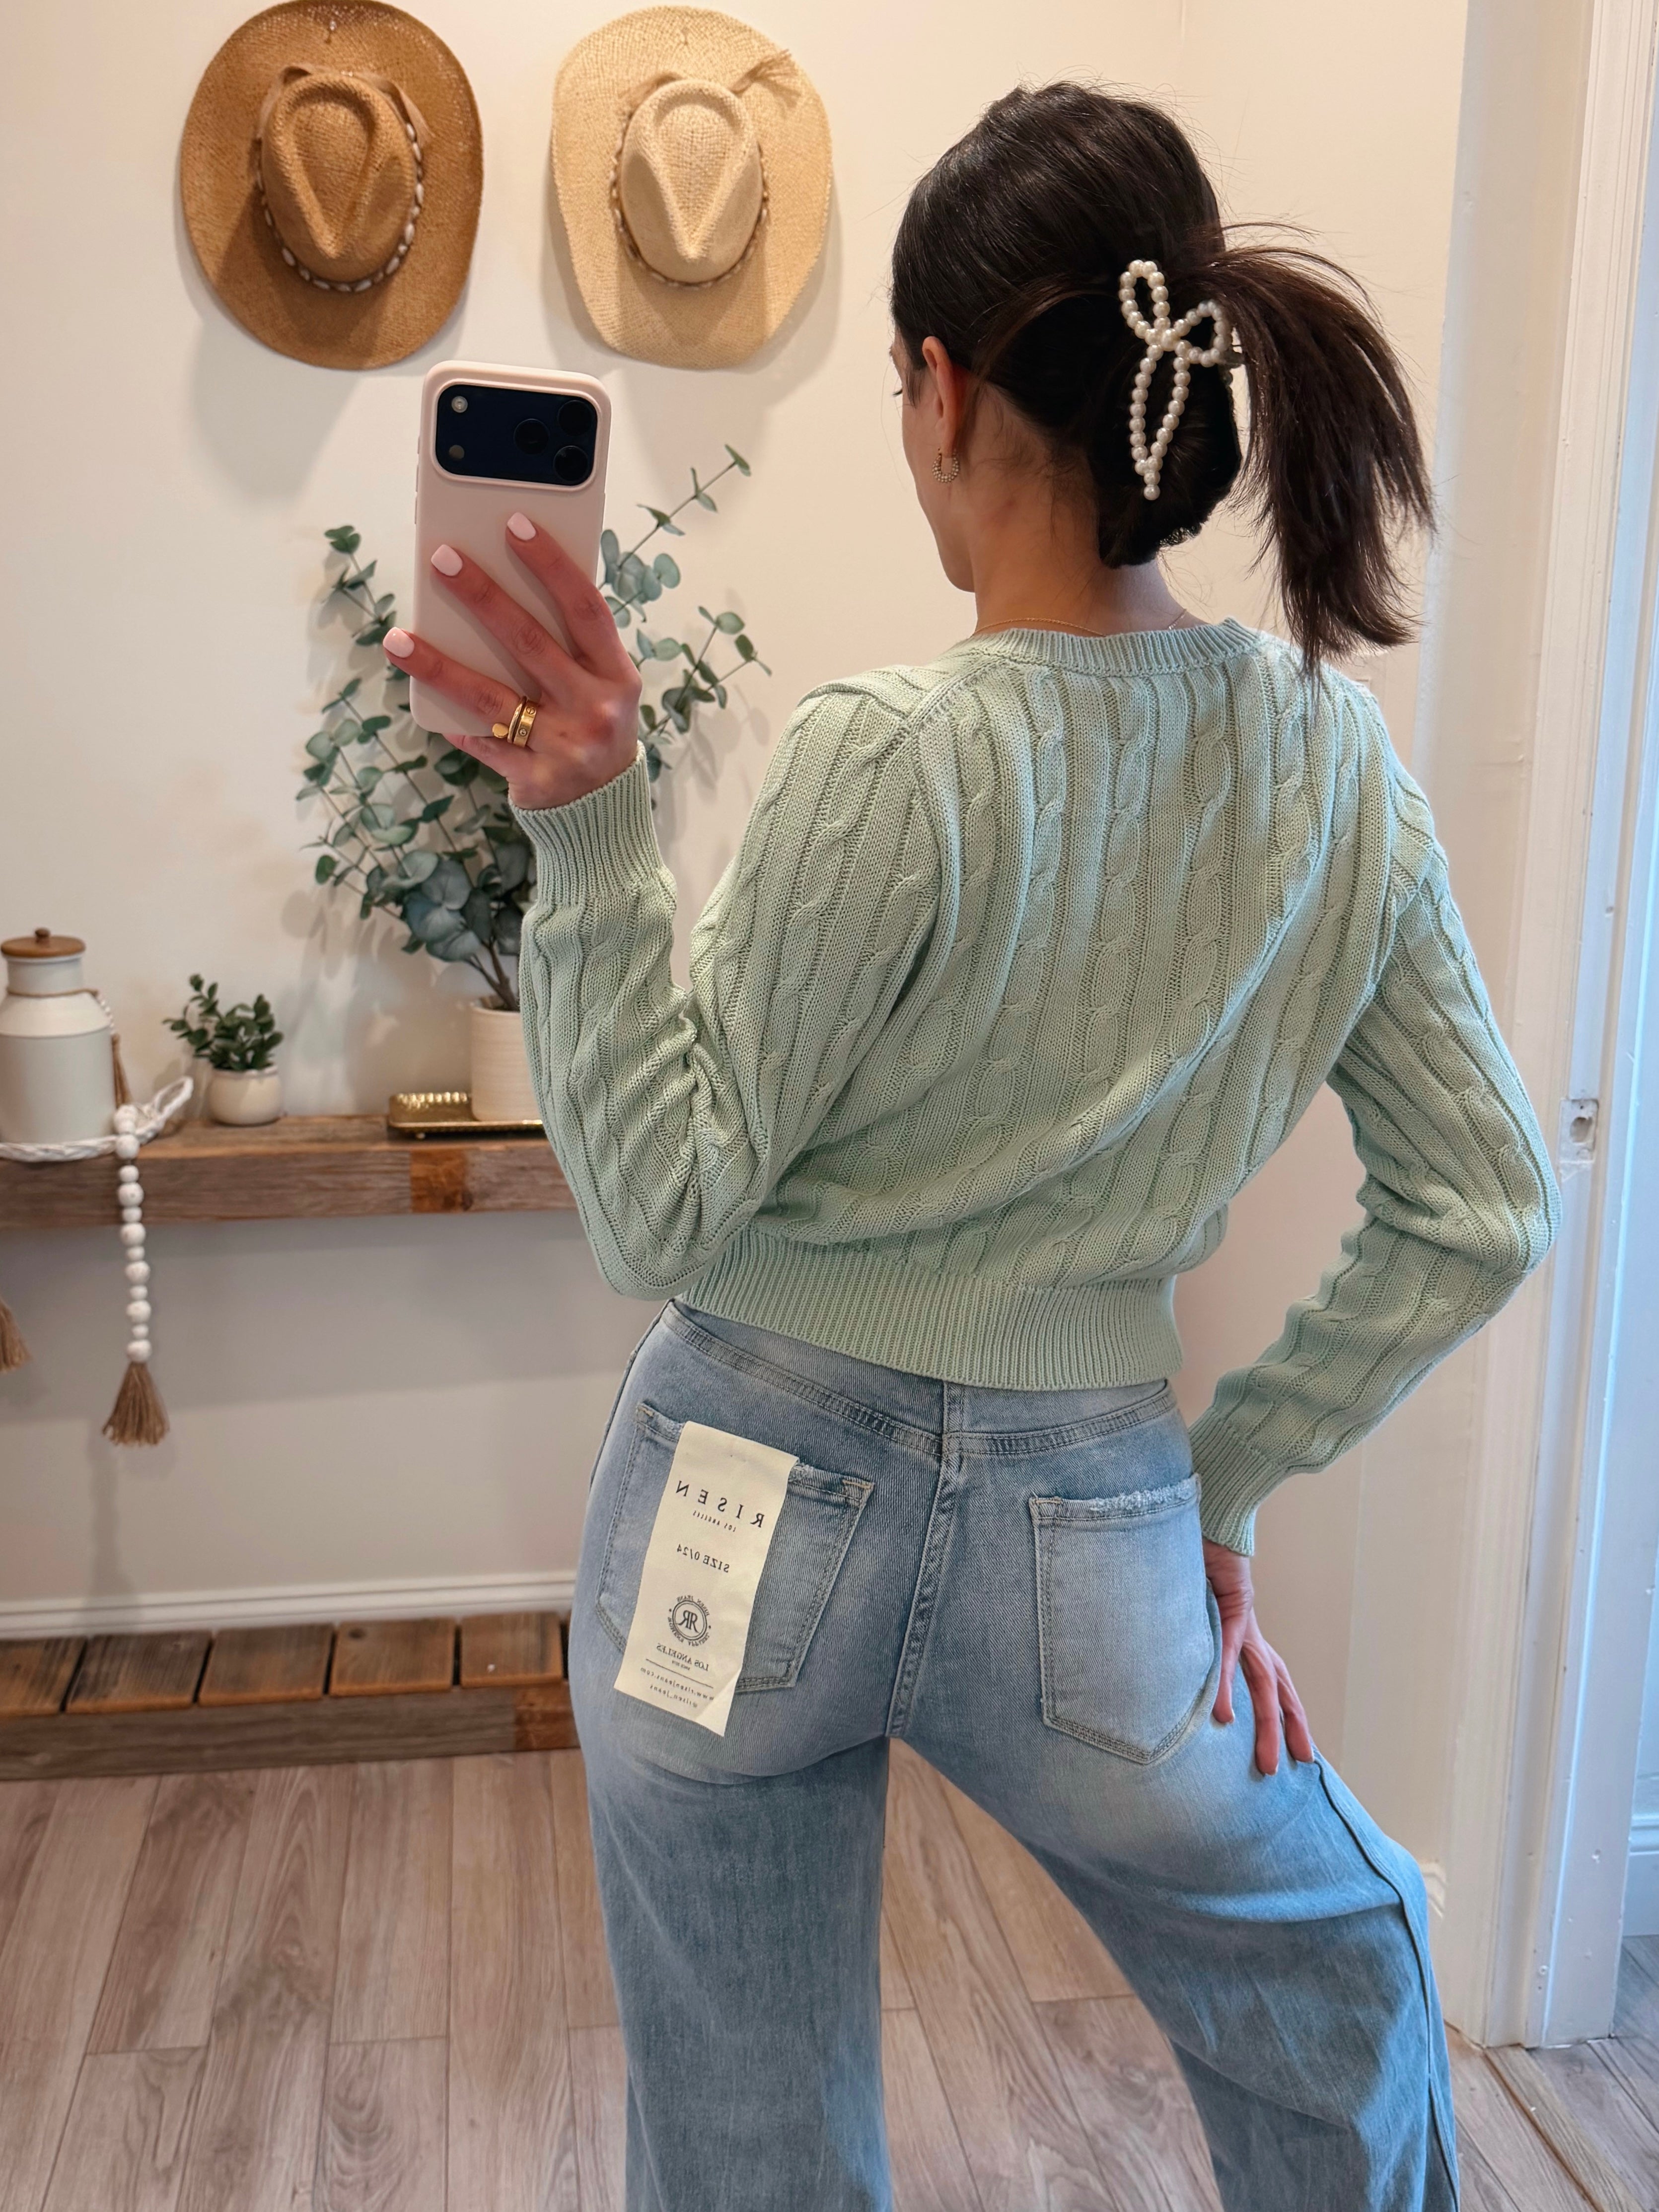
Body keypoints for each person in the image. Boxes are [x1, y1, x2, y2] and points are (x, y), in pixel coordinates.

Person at [386, 81, 1558, 2212]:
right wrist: (1228, 1483)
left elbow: (655, 1212)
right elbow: (1482, 1207)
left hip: (733, 1506)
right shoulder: (1333, 768)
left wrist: (591, 829)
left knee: (746, 2148)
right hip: (1087, 1541)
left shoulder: (886, 759)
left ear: (937, 390)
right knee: (1343, 1965)